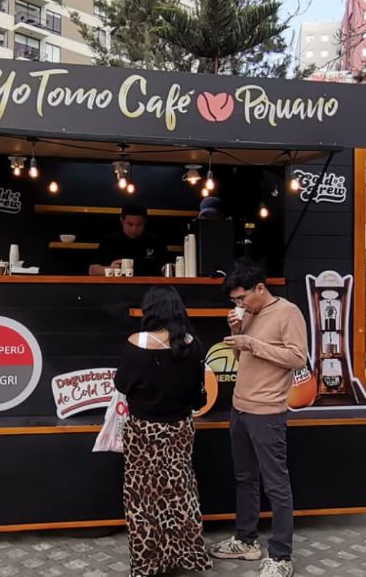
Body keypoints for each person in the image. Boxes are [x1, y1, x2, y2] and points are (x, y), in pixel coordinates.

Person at [210, 259, 308, 577]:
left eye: (242, 298)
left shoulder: (288, 313)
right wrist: (237, 332)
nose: (240, 305)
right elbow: (243, 358)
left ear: (261, 288)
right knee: (245, 478)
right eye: (235, 301)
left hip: (267, 412)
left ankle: (281, 557)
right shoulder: (248, 315)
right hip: (240, 408)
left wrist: (252, 342)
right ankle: (246, 541)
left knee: (276, 485)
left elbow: (298, 357)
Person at [113, 285, 212, 577]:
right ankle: (185, 556)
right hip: (181, 428)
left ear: (151, 310)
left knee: (142, 498)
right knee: (180, 493)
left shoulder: (137, 343)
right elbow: (197, 392)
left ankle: (148, 563)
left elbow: (122, 385)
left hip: (143, 431)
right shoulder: (193, 345)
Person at [88, 204, 168, 277]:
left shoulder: (156, 242)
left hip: (150, 286)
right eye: (130, 224)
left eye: (139, 224)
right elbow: (92, 270)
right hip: (117, 286)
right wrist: (110, 269)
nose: (134, 229)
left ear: (145, 222)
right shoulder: (110, 241)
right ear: (122, 220)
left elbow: (168, 268)